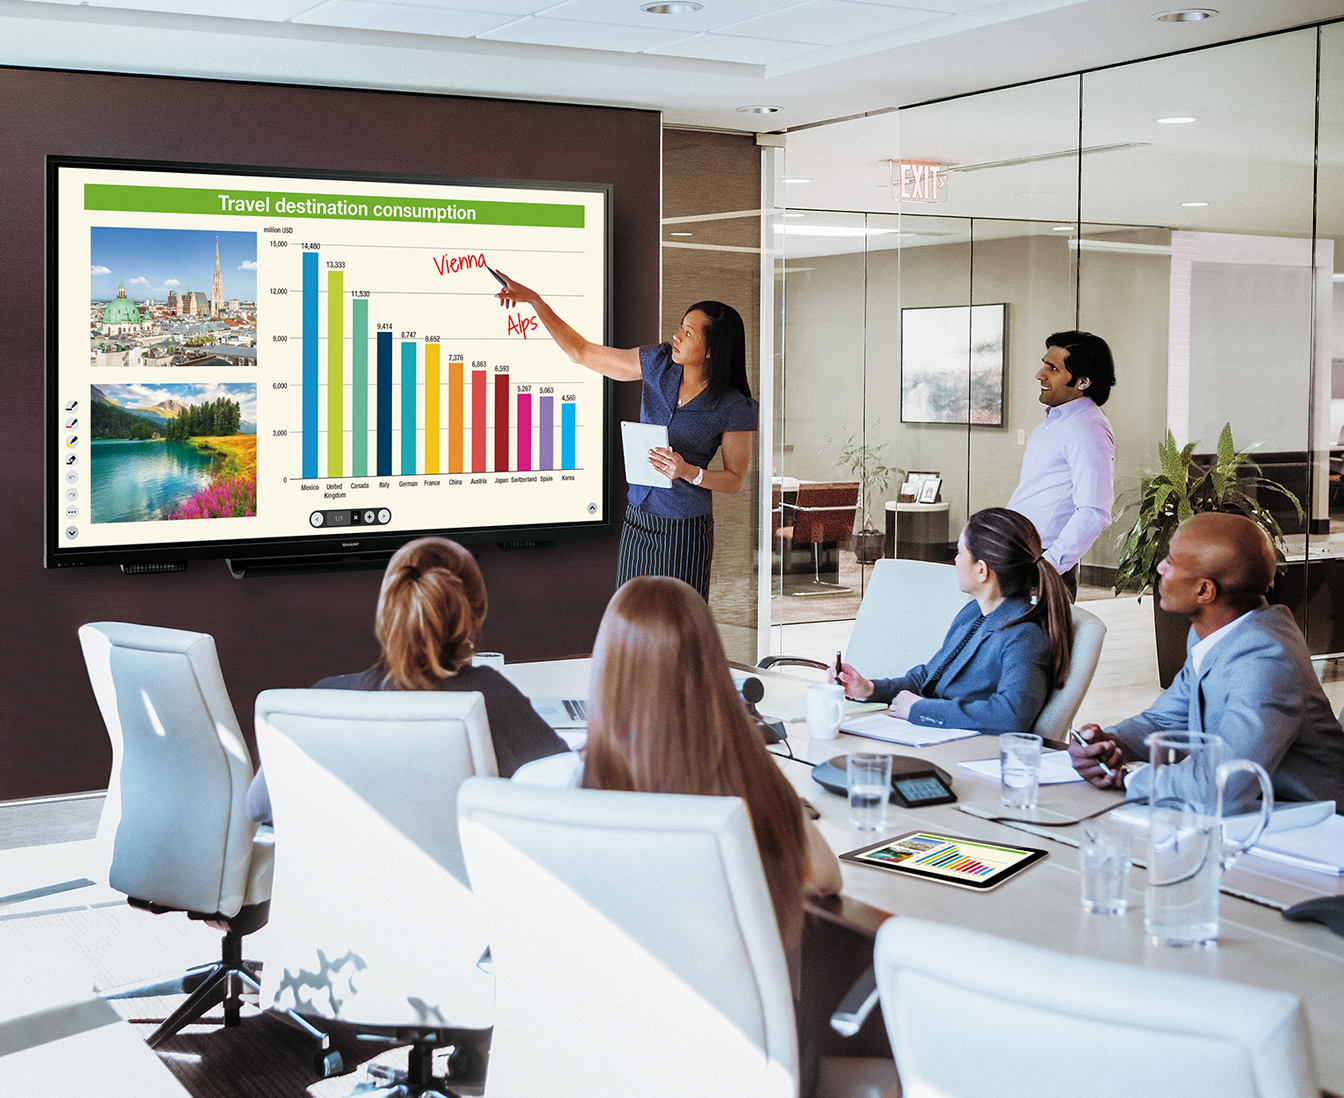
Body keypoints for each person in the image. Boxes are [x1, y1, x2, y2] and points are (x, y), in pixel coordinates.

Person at [518, 575, 841, 953]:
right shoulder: (751, 793)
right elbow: (827, 878)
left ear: (606, 671)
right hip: (719, 1010)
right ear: (714, 673)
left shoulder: (542, 789)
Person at [247, 536, 568, 823]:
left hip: (347, 887)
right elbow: (565, 790)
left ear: (387, 612)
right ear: (475, 615)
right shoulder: (489, 694)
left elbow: (259, 806)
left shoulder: (324, 699)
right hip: (465, 887)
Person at [495, 274, 756, 600]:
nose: (676, 336)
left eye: (688, 333)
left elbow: (735, 480)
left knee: (676, 627)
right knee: (629, 620)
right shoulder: (658, 363)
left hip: (684, 529)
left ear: (710, 351)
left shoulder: (734, 406)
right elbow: (581, 352)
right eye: (680, 326)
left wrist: (688, 471)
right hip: (639, 516)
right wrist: (536, 302)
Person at [1069, 512, 1344, 810]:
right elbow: (1167, 719)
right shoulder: (1215, 634)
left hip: (1320, 828)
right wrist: (1110, 743)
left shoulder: (1266, 660)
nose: (1160, 567)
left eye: (1171, 562)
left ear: (1204, 590)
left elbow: (1218, 786)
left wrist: (1126, 779)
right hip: (1262, 813)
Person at [830, 507, 1073, 733]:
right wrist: (869, 688)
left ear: (981, 570)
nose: (955, 561)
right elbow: (929, 677)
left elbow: (1012, 714)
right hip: (933, 737)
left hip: (970, 753)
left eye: (959, 552)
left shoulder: (1024, 635)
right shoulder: (972, 614)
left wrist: (919, 709)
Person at [1007, 330, 1116, 600]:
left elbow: (1094, 510)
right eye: (1045, 364)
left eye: (1053, 368)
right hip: (1020, 557)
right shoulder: (1053, 424)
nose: (1040, 374)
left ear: (1083, 381)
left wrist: (1048, 567)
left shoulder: (1087, 429)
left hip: (1041, 566)